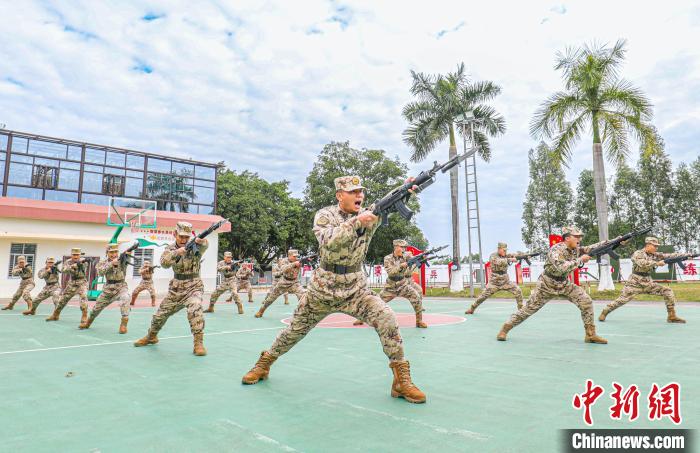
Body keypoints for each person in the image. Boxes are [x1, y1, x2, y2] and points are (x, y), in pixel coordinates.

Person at [241, 176, 425, 403]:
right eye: (353, 192)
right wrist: (357, 221)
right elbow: (328, 241)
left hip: (356, 289)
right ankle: (264, 364)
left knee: (387, 317)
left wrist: (407, 189)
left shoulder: (370, 213)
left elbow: (388, 201)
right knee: (294, 331)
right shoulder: (325, 215)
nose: (359, 195)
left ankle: (401, 381)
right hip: (323, 290)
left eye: (361, 192)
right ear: (340, 195)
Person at [496, 226, 611, 344]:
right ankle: (505, 329)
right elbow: (561, 267)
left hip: (564, 284)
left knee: (586, 301)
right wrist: (580, 260)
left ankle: (590, 335)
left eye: (580, 237)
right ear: (567, 238)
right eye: (576, 237)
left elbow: (592, 247)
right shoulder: (556, 250)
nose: (579, 239)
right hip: (547, 284)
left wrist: (615, 241)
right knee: (528, 310)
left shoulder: (575, 249)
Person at [133, 221, 208, 356]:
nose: (184, 240)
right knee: (160, 315)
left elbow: (205, 246)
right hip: (176, 288)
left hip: (194, 286)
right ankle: (152, 336)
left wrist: (202, 241)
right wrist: (177, 253)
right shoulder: (170, 248)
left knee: (195, 308)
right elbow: (164, 263)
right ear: (175, 234)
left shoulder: (196, 246)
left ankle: (198, 343)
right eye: (181, 237)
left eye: (187, 237)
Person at [599, 236, 688, 323]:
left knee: (667, 291)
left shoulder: (655, 254)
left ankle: (671, 316)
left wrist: (686, 255)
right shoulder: (638, 253)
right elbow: (642, 263)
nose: (656, 248)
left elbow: (669, 255)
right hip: (634, 283)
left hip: (648, 283)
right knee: (621, 300)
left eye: (657, 246)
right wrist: (656, 263)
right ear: (648, 245)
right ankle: (605, 312)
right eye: (654, 246)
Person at [353, 239, 427, 328]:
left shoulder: (406, 255)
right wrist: (401, 266)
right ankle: (361, 318)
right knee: (376, 302)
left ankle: (419, 322)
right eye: (402, 247)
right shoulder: (387, 258)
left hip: (403, 285)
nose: (404, 249)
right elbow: (391, 272)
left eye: (405, 248)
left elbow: (412, 258)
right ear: (396, 247)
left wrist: (421, 257)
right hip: (390, 287)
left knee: (417, 298)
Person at [80, 243, 132, 333]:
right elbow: (100, 272)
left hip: (121, 287)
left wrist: (128, 254)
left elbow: (127, 259)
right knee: (96, 309)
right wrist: (111, 264)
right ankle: (88, 323)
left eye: (115, 252)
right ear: (107, 253)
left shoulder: (122, 259)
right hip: (108, 289)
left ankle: (124, 324)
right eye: (111, 252)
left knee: (126, 298)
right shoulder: (102, 262)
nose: (113, 254)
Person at [465, 242, 523, 314]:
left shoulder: (506, 255)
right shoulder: (493, 256)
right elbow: (499, 262)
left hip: (505, 281)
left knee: (518, 290)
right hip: (494, 282)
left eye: (506, 250)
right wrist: (510, 260)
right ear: (499, 249)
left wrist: (523, 256)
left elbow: (515, 255)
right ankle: (472, 308)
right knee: (483, 296)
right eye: (503, 250)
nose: (505, 251)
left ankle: (521, 310)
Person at [255, 249, 305, 318]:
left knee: (303, 295)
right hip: (284, 282)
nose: (296, 258)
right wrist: (294, 264)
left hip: (295, 282)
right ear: (289, 256)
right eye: (294, 256)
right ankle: (261, 310)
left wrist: (303, 263)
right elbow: (283, 269)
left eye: (297, 256)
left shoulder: (298, 261)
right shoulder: (284, 261)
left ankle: (302, 313)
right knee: (271, 298)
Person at [46, 248, 89, 324]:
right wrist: (74, 266)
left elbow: (84, 267)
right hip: (72, 282)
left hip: (82, 282)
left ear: (80, 255)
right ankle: (55, 315)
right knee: (63, 300)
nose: (75, 257)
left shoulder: (84, 261)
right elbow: (64, 270)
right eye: (74, 255)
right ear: (71, 255)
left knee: (84, 297)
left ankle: (84, 315)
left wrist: (79, 264)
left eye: (77, 255)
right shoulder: (68, 262)